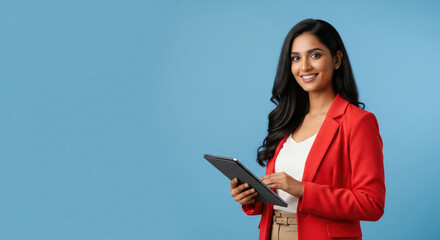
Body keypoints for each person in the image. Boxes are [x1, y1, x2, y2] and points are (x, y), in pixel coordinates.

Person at [229, 19, 385, 240]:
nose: (304, 67)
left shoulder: (358, 122)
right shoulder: (287, 120)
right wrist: (251, 198)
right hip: (273, 232)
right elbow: (282, 198)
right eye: (296, 58)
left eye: (315, 55)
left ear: (337, 59)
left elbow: (372, 204)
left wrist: (302, 189)